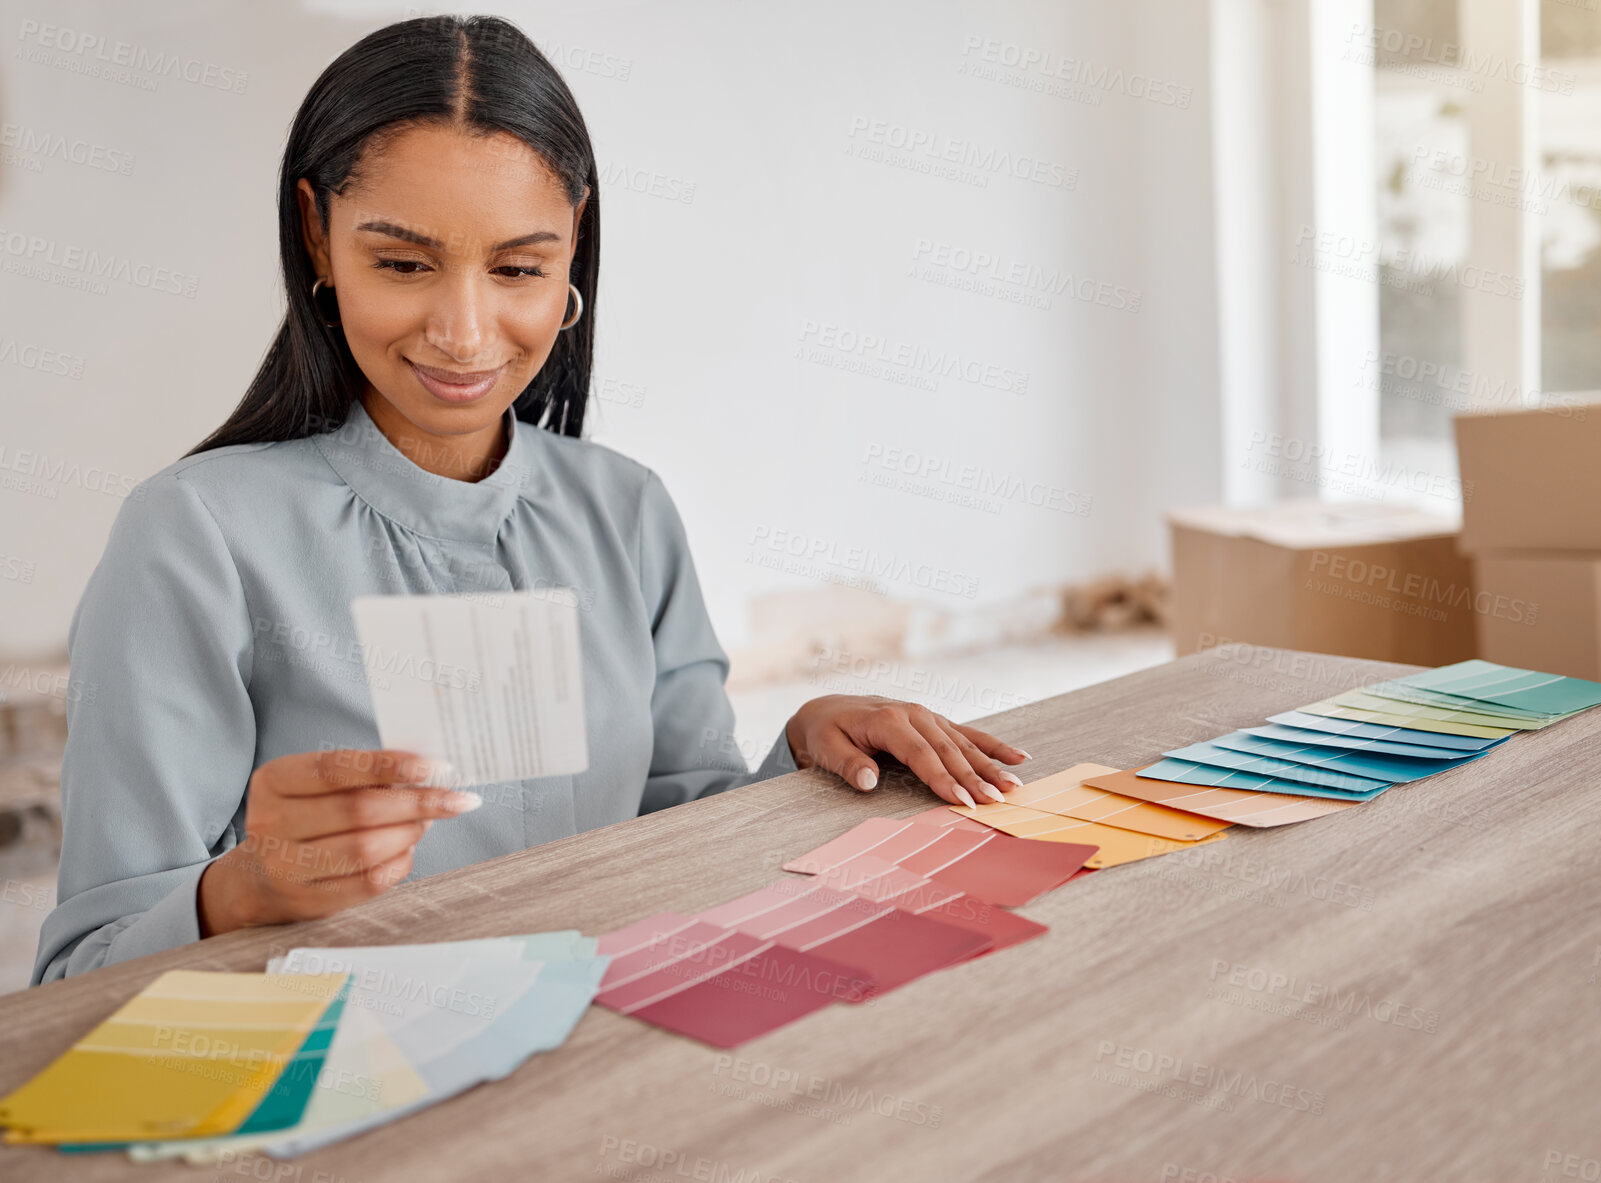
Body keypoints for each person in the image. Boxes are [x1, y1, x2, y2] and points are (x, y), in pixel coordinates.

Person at [31, 14, 1029, 985]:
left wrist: (805, 749)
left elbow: (683, 842)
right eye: (403, 263)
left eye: (518, 268)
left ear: (573, 246)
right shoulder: (193, 536)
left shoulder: (627, 511)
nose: (465, 334)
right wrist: (245, 888)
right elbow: (81, 969)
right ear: (316, 236)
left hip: (603, 1067)